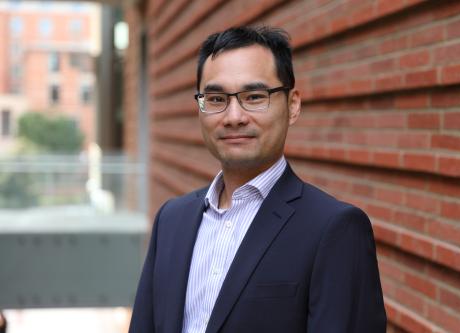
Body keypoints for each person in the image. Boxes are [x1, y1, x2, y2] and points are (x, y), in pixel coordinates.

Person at [129, 26, 386, 333]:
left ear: (292, 105)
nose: (234, 116)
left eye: (254, 96)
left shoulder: (335, 229)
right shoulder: (171, 220)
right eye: (216, 98)